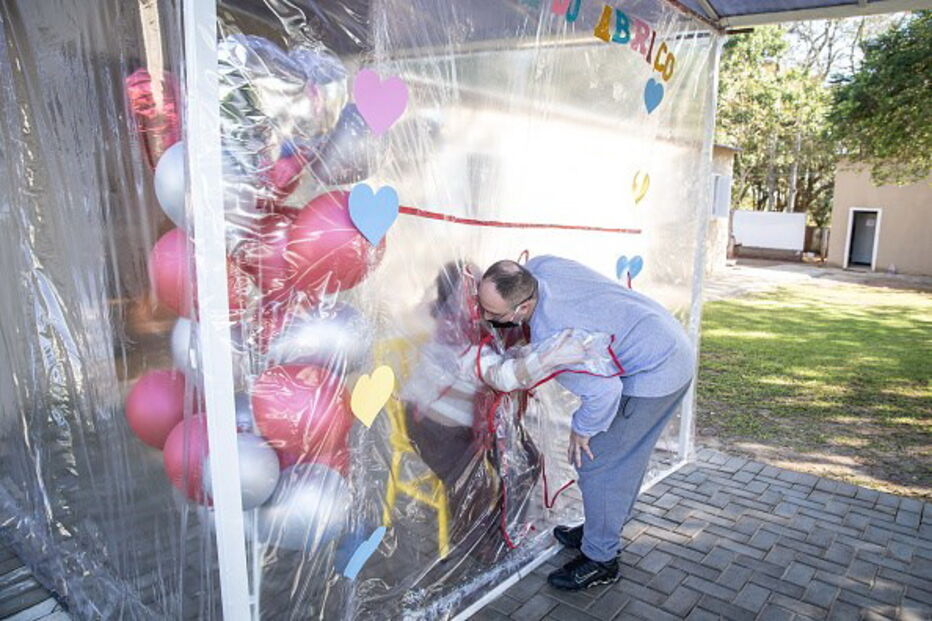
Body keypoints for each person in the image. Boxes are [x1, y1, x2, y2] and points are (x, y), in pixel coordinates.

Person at [478, 255, 695, 590]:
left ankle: (601, 559)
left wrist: (582, 430)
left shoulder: (561, 341)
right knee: (621, 459)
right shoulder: (540, 267)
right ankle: (599, 527)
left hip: (659, 369)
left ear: (523, 308)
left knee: (600, 462)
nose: (484, 316)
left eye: (493, 314)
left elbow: (605, 390)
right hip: (660, 333)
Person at [400, 260, 613, 559]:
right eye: (475, 292)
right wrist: (551, 357)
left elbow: (507, 357)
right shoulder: (453, 333)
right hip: (435, 426)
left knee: (527, 458)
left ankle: (508, 523)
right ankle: (477, 545)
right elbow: (501, 376)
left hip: (470, 422)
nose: (481, 301)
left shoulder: (475, 324)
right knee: (474, 482)